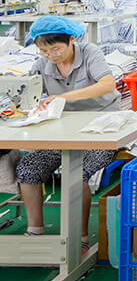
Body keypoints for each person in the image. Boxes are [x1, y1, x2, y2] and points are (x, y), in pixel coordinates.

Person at [17, 16, 121, 250]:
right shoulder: (42, 64)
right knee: (28, 168)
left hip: (101, 127)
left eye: (56, 49)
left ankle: (79, 238)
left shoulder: (89, 53)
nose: (51, 56)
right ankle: (35, 232)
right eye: (44, 51)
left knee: (77, 173)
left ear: (71, 39)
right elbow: (27, 89)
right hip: (64, 130)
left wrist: (63, 97)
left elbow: (107, 85)